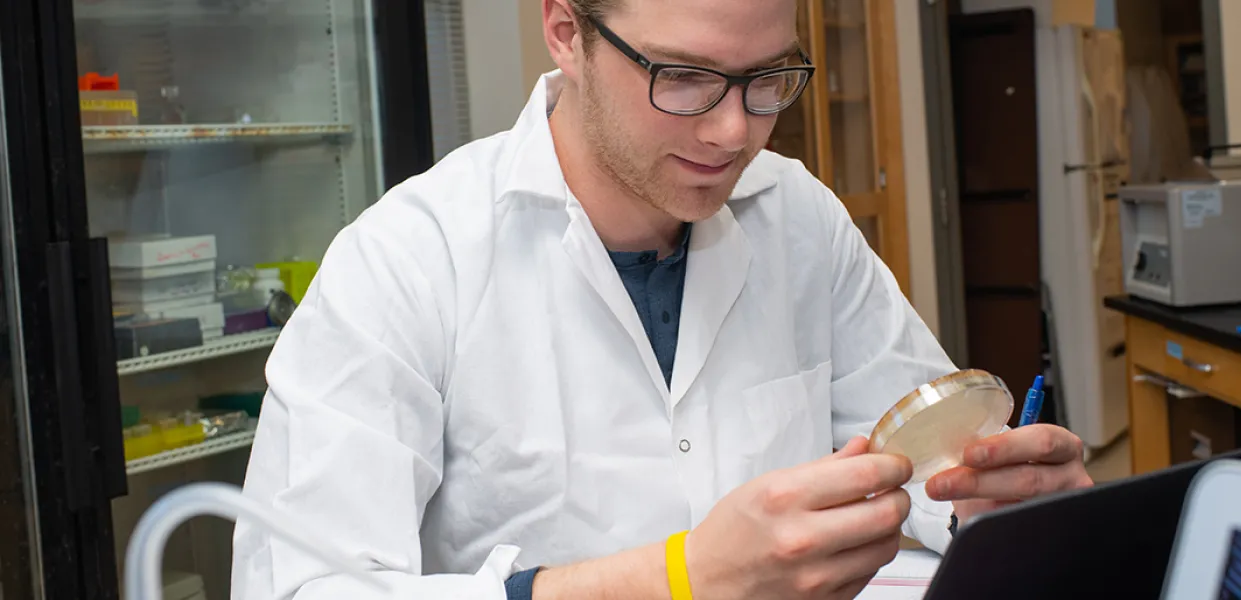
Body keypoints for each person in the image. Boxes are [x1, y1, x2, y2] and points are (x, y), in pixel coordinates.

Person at [230, 0, 1094, 598]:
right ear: (566, 31)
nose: (733, 132)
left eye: (766, 81)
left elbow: (930, 457)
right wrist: (679, 581)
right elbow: (306, 588)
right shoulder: (407, 263)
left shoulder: (799, 219)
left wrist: (1000, 502)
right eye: (684, 77)